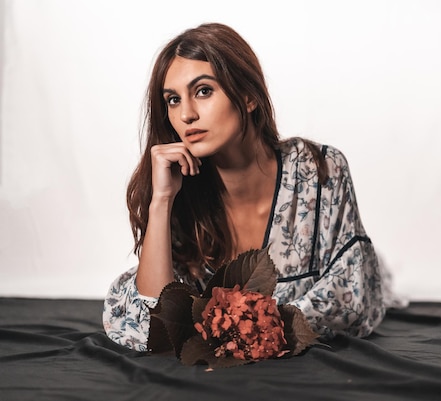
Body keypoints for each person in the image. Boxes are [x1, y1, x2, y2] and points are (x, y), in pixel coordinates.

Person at [103, 23, 386, 351]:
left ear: (249, 96)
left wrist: (254, 330)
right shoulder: (182, 194)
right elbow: (152, 324)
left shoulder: (319, 171)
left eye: (204, 91)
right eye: (173, 100)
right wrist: (161, 201)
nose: (187, 114)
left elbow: (349, 299)